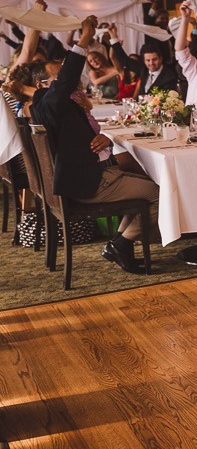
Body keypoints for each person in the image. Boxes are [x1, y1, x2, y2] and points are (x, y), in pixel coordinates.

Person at [29, 16, 159, 274]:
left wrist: (107, 140)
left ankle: (120, 244)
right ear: (42, 85)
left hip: (96, 172)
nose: (67, 81)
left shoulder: (60, 106)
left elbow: (85, 138)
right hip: (91, 183)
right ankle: (121, 243)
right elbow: (65, 80)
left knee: (143, 174)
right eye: (59, 79)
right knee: (159, 193)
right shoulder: (46, 105)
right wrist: (85, 39)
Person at [110, 26, 180, 95]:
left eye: (154, 59)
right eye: (148, 60)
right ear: (144, 61)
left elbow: (165, 101)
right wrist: (114, 37)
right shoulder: (143, 68)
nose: (151, 63)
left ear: (160, 59)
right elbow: (124, 60)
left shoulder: (169, 77)